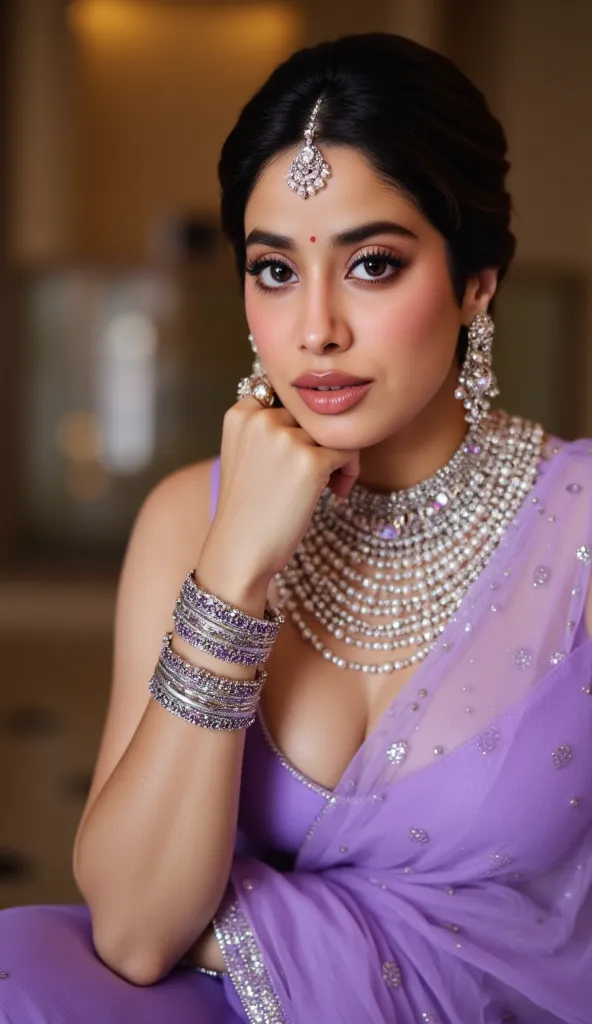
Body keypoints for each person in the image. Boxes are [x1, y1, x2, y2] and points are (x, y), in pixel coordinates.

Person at [1, 31, 591, 1024]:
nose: (314, 327)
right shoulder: (192, 515)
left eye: (371, 263)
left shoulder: (577, 529)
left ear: (476, 281)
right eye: (274, 269)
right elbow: (139, 930)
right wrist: (233, 567)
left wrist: (242, 922)